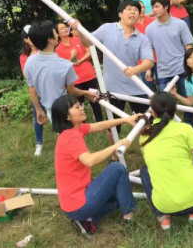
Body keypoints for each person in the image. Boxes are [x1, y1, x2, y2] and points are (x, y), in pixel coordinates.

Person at [73, 0, 154, 161]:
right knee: (113, 126)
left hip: (135, 89)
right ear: (120, 14)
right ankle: (114, 158)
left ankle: (152, 153)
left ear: (139, 15)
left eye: (136, 11)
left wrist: (136, 69)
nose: (132, 13)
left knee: (147, 122)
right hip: (112, 89)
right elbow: (87, 42)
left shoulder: (142, 38)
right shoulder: (107, 29)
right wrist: (80, 30)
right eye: (129, 9)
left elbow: (149, 61)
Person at [52, 95, 138, 235]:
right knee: (117, 168)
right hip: (78, 204)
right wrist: (116, 145)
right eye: (77, 107)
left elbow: (99, 125)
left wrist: (126, 119)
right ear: (67, 117)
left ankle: (87, 218)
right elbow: (89, 160)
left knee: (120, 195)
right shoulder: (70, 137)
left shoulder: (74, 129)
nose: (82, 108)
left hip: (74, 204)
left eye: (80, 105)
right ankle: (128, 217)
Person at [139, 92, 193, 231]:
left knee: (145, 170)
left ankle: (162, 217)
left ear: (152, 112)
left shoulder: (144, 136)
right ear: (175, 110)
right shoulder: (184, 128)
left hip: (165, 206)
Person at [24, 20, 97, 126]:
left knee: (63, 138)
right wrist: (86, 93)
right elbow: (72, 91)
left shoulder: (29, 62)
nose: (57, 35)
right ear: (50, 39)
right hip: (67, 111)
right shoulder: (65, 65)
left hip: (50, 111)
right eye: (55, 32)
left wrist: (39, 110)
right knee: (74, 139)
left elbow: (32, 90)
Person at [145, 0, 193, 121]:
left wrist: (190, 64)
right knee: (163, 102)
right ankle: (169, 125)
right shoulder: (149, 29)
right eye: (152, 7)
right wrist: (148, 69)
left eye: (157, 6)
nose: (154, 10)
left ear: (166, 7)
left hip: (181, 68)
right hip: (163, 71)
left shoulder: (180, 24)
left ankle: (188, 123)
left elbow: (188, 46)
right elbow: (149, 51)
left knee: (187, 97)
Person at [55, 22, 104, 122]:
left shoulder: (77, 39)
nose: (65, 29)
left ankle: (100, 122)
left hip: (89, 75)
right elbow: (61, 67)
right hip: (75, 80)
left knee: (94, 99)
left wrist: (81, 60)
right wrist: (72, 58)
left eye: (65, 27)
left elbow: (89, 52)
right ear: (57, 34)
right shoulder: (58, 50)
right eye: (61, 28)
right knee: (78, 104)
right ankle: (82, 124)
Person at [19, 25, 45, 156]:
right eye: (30, 36)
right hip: (36, 92)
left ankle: (63, 137)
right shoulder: (25, 57)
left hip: (49, 88)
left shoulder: (45, 50)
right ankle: (39, 144)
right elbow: (26, 75)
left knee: (58, 114)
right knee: (38, 117)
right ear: (26, 40)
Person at [134, 1, 156, 91]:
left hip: (158, 58)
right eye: (139, 8)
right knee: (149, 89)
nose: (142, 9)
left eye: (143, 7)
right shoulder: (131, 26)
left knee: (165, 87)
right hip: (142, 61)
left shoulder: (153, 21)